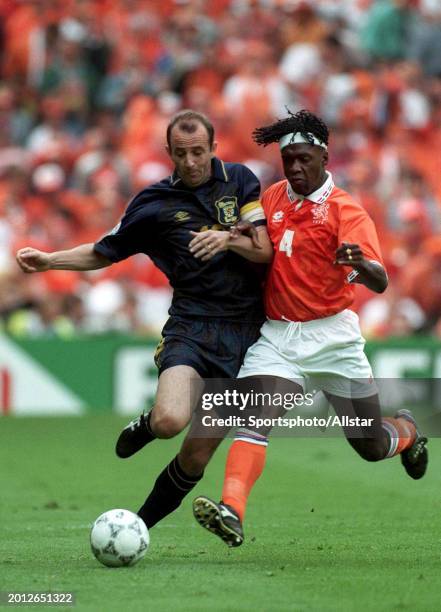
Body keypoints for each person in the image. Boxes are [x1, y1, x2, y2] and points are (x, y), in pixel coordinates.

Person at [16, 109, 273, 530]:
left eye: (198, 152)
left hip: (248, 336)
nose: (190, 162)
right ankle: (150, 423)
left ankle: (137, 528)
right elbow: (105, 250)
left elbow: (263, 250)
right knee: (171, 420)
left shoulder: (240, 180)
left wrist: (227, 239)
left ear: (213, 148)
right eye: (181, 153)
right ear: (168, 152)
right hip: (191, 324)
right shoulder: (153, 204)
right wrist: (50, 260)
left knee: (196, 455)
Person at [192, 109, 429, 547]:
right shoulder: (275, 198)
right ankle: (232, 510)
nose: (296, 169)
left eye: (304, 159)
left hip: (333, 338)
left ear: (323, 156)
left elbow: (380, 280)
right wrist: (231, 234)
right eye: (289, 161)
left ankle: (407, 431)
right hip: (280, 338)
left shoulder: (346, 211)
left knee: (371, 445)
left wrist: (359, 264)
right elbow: (252, 236)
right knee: (254, 414)